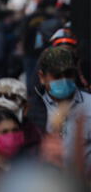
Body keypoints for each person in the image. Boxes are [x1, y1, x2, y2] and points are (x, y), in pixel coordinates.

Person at [35, 47, 91, 175]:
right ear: (42, 77)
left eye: (68, 74)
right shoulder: (36, 109)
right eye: (57, 76)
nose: (64, 80)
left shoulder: (89, 105)